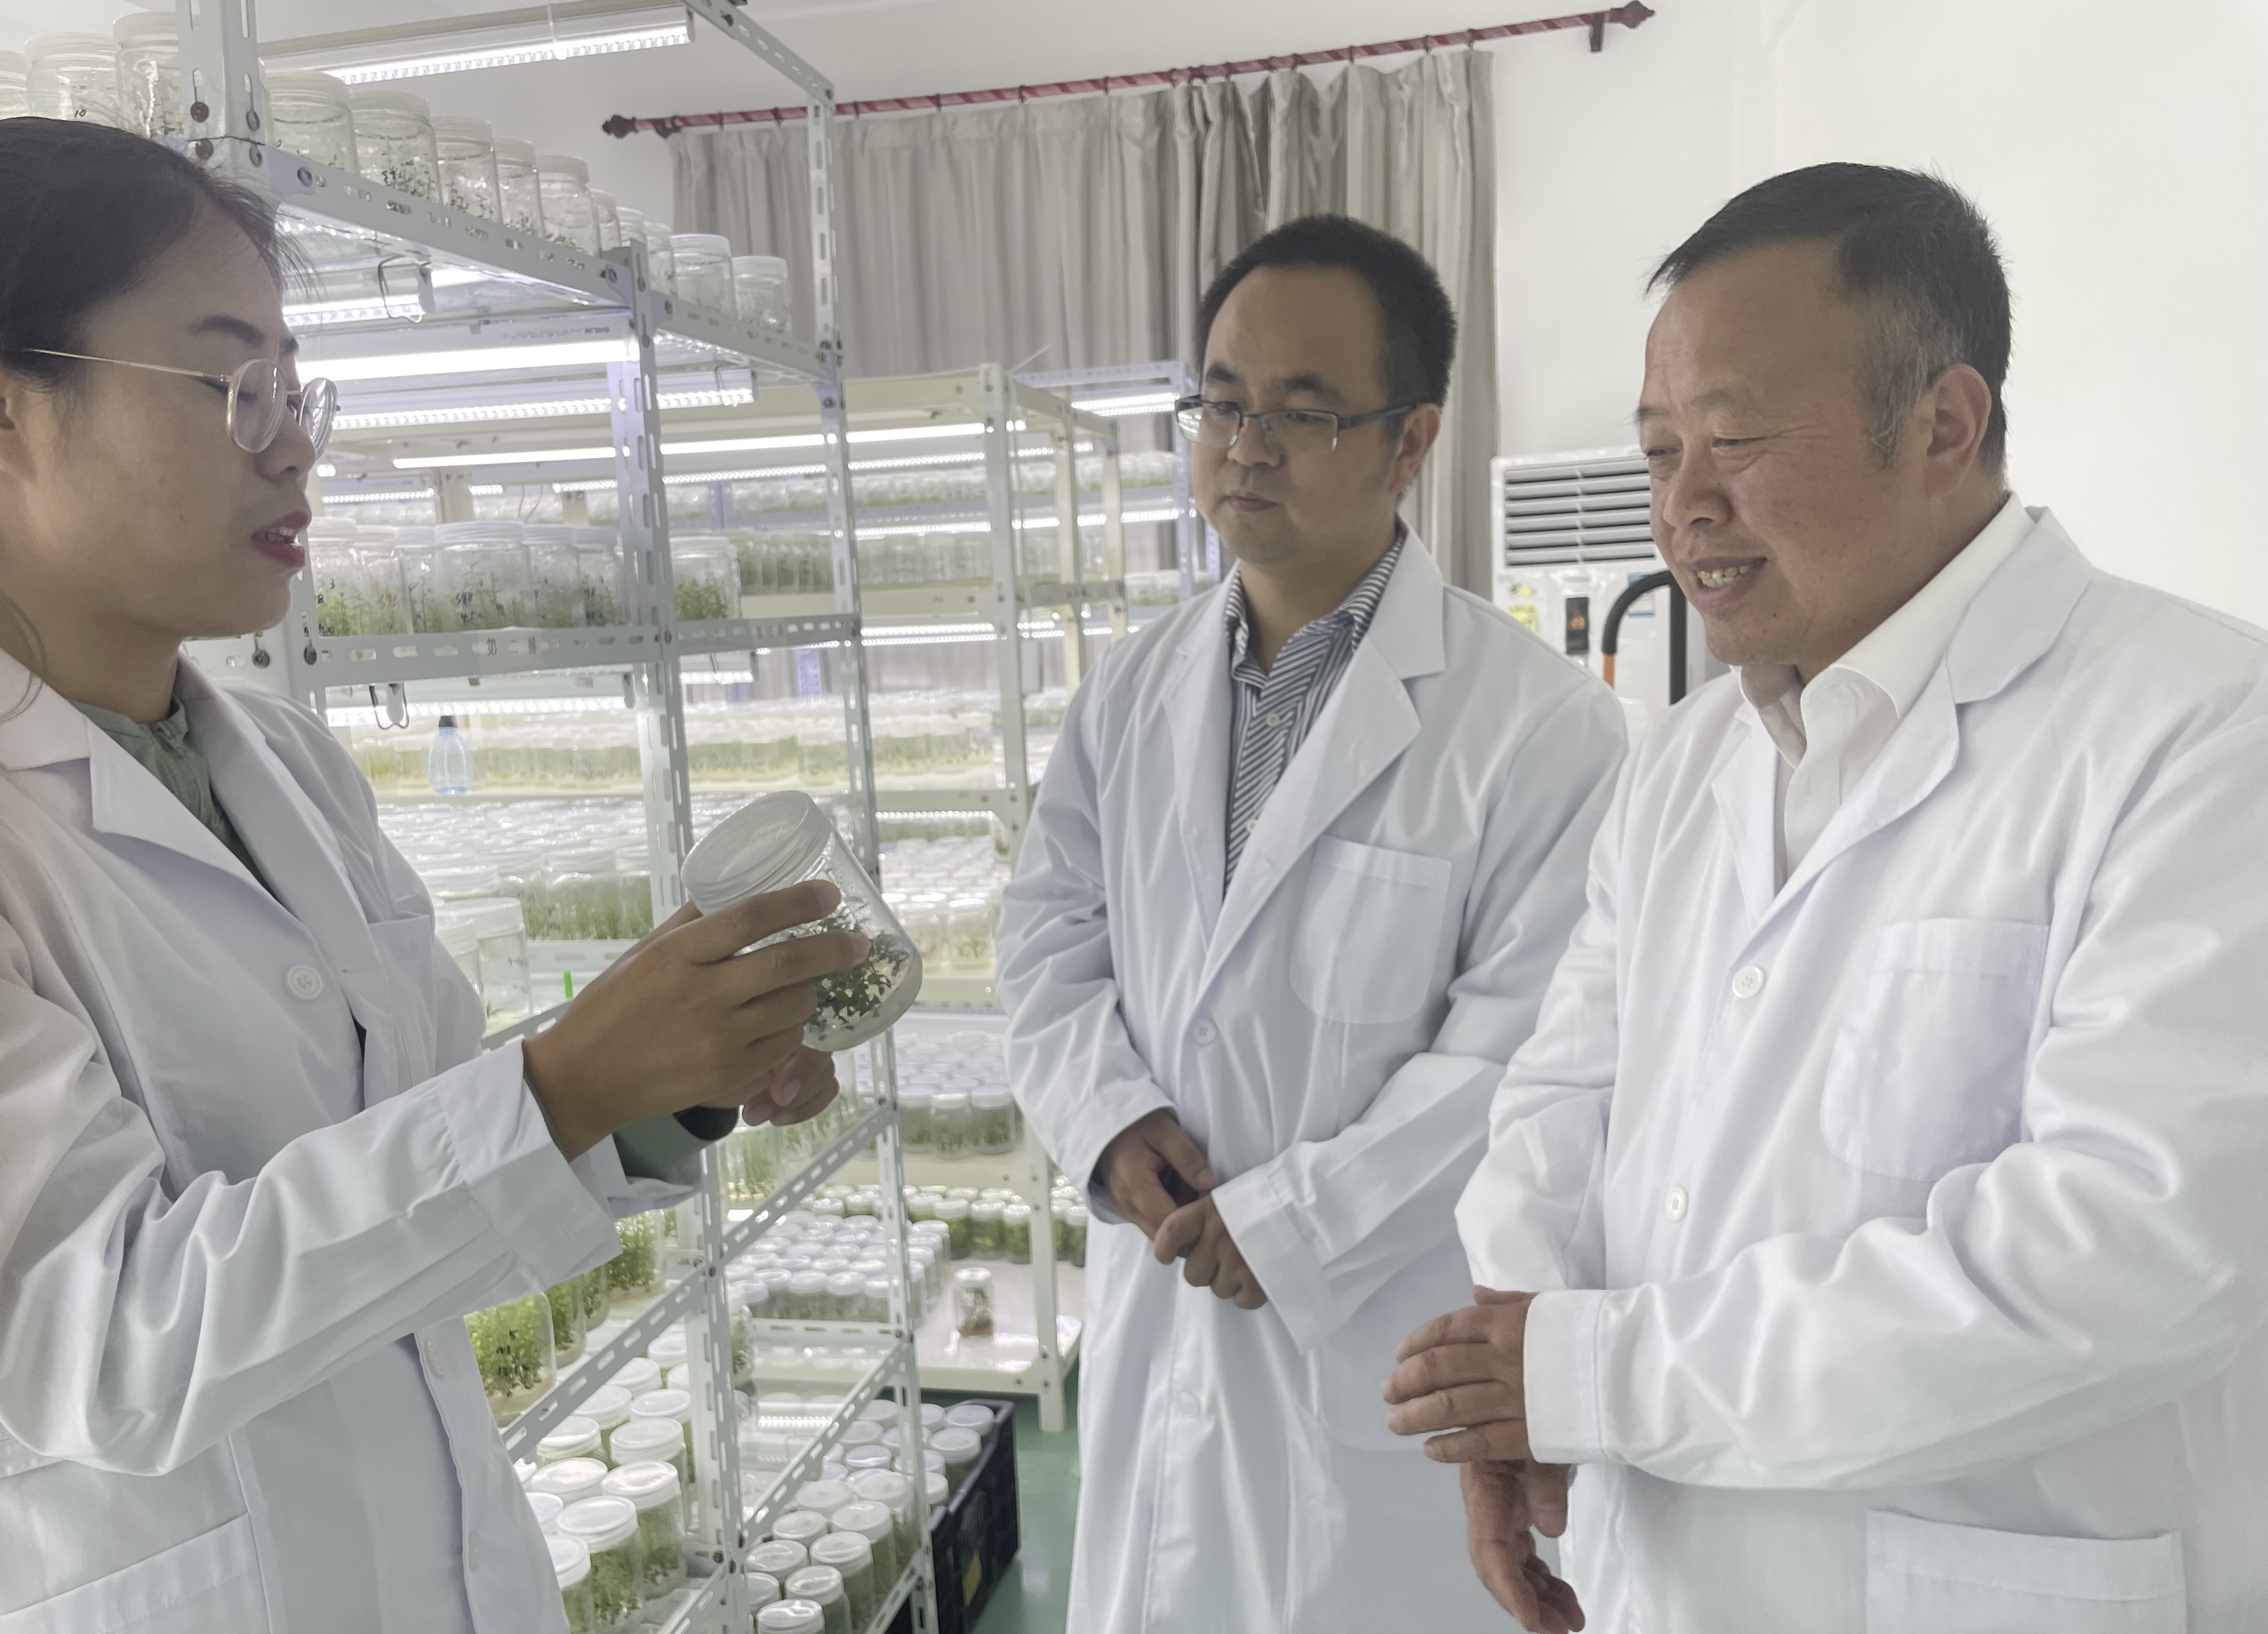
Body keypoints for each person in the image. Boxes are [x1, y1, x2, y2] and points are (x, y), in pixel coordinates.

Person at [0, 121, 867, 1630]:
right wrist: (563, 1084)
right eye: (230, 383)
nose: (294, 444)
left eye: (295, 385)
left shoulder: (288, 764)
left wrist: (660, 1074)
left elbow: (426, 1136)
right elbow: (99, 1340)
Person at [1386, 162, 2268, 1633]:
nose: (1682, 506)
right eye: (1657, 449)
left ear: (1942, 424)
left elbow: (2133, 1250)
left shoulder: (2199, 732)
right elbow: (1562, 1099)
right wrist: (1514, 1388)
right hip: (1654, 1575)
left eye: (1732, 439)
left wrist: (1587, 1374)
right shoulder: (1683, 764)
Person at [996, 213, 1625, 1632]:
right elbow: (1044, 938)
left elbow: (1523, 1058)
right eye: (1220, 402)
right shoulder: (1127, 692)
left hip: (1370, 1342)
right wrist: (1104, 1115)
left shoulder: (1537, 728)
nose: (1245, 445)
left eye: (1302, 410)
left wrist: (1292, 1221)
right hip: (1160, 1311)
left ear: (1410, 441)